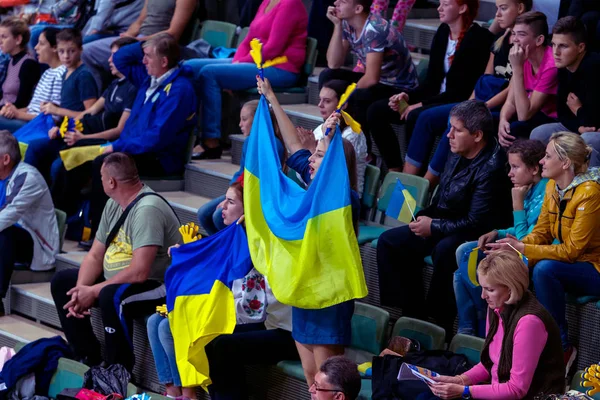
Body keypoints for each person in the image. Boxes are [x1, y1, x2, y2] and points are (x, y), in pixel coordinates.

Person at [376, 100, 513, 338]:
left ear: (477, 135)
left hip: (478, 231)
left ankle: (440, 321)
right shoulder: (457, 150)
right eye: (449, 128)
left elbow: (476, 221)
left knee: (445, 250)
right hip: (449, 220)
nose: (448, 135)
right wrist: (426, 214)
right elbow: (445, 197)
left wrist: (434, 226)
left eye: (456, 130)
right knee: (391, 242)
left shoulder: (492, 166)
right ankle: (411, 314)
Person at [258, 76, 359, 386]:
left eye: (319, 156)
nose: (310, 160)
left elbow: (327, 161)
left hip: (329, 295)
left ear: (334, 166)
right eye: (314, 155)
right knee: (311, 379)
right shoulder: (311, 187)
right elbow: (294, 145)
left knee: (329, 380)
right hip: (304, 292)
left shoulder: (344, 200)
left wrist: (331, 132)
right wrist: (271, 97)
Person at [149, 180, 291, 400]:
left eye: (230, 201)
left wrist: (202, 312)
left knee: (208, 337)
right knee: (159, 322)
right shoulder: (235, 239)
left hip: (277, 326)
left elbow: (253, 309)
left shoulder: (258, 247)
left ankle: (190, 393)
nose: (220, 206)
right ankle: (175, 392)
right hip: (252, 317)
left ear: (248, 210)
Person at [50, 152, 180, 370]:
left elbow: (140, 272)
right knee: (64, 282)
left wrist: (94, 291)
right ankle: (88, 357)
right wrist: (82, 289)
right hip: (123, 278)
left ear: (111, 182)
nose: (99, 180)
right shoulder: (114, 203)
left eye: (101, 176)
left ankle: (118, 369)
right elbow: (95, 255)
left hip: (158, 284)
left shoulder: (147, 210)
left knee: (112, 295)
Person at [486, 131, 600, 374]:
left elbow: (572, 251)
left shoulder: (590, 193)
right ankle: (503, 340)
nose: (541, 161)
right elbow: (541, 233)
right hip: (572, 264)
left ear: (565, 163)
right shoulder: (552, 187)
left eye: (547, 156)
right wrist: (513, 249)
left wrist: (524, 248)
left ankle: (560, 345)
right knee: (503, 263)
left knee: (545, 269)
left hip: (593, 268)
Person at [73, 33, 197, 249]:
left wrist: (117, 146)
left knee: (102, 164)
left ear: (164, 61)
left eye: (148, 55)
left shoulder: (179, 90)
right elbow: (121, 58)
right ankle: (75, 219)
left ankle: (100, 234)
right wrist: (152, 40)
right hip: (132, 149)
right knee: (76, 150)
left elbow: (156, 138)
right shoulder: (147, 78)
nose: (143, 60)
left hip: (159, 158)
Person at [401, 0, 532, 186]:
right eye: (497, 9)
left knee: (456, 123)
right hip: (482, 102)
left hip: (500, 107)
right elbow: (484, 81)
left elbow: (512, 88)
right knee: (426, 118)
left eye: (503, 8)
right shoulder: (499, 41)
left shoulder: (524, 46)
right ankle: (408, 180)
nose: (497, 15)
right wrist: (470, 103)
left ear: (520, 7)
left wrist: (481, 106)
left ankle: (427, 183)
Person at [367, 0, 493, 172]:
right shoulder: (442, 32)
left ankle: (413, 173)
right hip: (435, 97)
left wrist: (419, 105)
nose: (439, 8)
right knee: (377, 110)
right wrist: (408, 97)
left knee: (416, 115)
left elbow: (460, 92)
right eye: (439, 3)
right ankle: (394, 168)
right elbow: (431, 82)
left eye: (446, 4)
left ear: (462, 8)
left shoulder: (478, 38)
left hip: (458, 101)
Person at [429, 250, 565, 399]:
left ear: (510, 287)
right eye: (482, 287)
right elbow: (490, 363)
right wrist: (460, 380)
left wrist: (466, 391)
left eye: (490, 289)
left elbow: (516, 390)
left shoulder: (529, 322)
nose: (483, 296)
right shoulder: (495, 307)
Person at [185, 0, 308, 160]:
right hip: (255, 61)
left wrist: (238, 67)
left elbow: (272, 48)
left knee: (209, 73)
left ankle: (211, 142)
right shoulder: (266, 2)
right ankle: (186, 132)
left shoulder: (290, 4)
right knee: (189, 66)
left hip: (280, 67)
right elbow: (249, 38)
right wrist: (237, 62)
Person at [453, 139, 547, 337]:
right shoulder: (529, 187)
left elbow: (525, 241)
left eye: (515, 167)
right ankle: (468, 330)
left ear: (534, 169)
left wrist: (517, 204)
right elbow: (524, 228)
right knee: (464, 254)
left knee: (464, 266)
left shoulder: (546, 192)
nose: (509, 173)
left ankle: (485, 325)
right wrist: (498, 232)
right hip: (520, 247)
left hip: (532, 255)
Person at [49, 36, 139, 218]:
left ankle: (66, 217)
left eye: (114, 56)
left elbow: (119, 131)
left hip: (109, 142)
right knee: (56, 158)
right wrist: (62, 128)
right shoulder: (114, 84)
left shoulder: (133, 88)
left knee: (62, 165)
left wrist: (83, 139)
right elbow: (89, 112)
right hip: (91, 135)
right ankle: (56, 217)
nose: (109, 60)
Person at [319, 0, 418, 153]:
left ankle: (362, 151)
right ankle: (329, 135)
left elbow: (372, 78)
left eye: (343, 1)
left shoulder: (374, 29)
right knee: (328, 76)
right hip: (379, 81)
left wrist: (345, 96)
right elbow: (333, 63)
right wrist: (337, 26)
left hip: (399, 87)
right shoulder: (346, 23)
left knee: (359, 96)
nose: (336, 2)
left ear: (358, 8)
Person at [196, 100, 286, 236]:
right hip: (242, 190)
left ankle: (236, 248)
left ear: (257, 120)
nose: (240, 124)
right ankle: (220, 247)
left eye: (244, 119)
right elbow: (241, 172)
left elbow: (265, 182)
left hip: (260, 195)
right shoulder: (249, 141)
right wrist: (231, 194)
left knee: (219, 216)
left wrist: (235, 200)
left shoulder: (274, 145)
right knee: (204, 213)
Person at [24, 28, 98, 180]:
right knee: (32, 147)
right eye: (62, 51)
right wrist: (57, 125)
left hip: (77, 135)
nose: (66, 56)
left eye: (71, 51)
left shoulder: (83, 76)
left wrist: (57, 111)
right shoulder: (65, 73)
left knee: (36, 150)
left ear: (80, 49)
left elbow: (90, 114)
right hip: (63, 132)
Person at [0, 131, 58, 313]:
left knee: (4, 230)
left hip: (38, 245)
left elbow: (7, 216)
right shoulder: (4, 176)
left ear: (5, 159)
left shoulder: (27, 178)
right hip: (15, 237)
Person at [530, 16, 600, 167]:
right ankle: (543, 187)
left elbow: (594, 122)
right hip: (580, 125)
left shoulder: (594, 68)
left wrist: (578, 110)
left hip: (594, 130)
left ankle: (591, 189)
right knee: (539, 134)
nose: (556, 52)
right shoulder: (563, 67)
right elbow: (562, 113)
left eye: (563, 46)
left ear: (581, 47)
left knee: (589, 140)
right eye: (554, 45)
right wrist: (578, 126)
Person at [82, 0, 197, 90]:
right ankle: (103, 95)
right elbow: (139, 22)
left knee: (95, 52)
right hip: (139, 39)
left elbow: (173, 33)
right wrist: (127, 36)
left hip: (158, 43)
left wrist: (138, 39)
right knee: (85, 51)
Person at [498, 11, 558, 147]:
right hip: (528, 111)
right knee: (486, 121)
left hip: (550, 118)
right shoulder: (523, 55)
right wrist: (503, 120)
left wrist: (517, 68)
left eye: (522, 34)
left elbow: (524, 115)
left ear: (539, 40)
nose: (515, 39)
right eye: (514, 33)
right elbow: (510, 102)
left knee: (514, 129)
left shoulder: (551, 65)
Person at [298, 79, 368, 195]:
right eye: (320, 99)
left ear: (343, 104)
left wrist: (310, 150)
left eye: (327, 101)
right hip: (318, 193)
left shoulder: (353, 135)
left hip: (343, 199)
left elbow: (334, 173)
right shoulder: (320, 128)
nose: (320, 105)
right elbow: (304, 178)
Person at [0, 28, 65, 133]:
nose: (36, 47)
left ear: (54, 48)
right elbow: (31, 108)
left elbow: (53, 119)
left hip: (38, 126)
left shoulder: (61, 74)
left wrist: (17, 114)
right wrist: (10, 111)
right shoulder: (47, 72)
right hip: (28, 120)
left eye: (41, 44)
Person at [0, 18, 41, 111]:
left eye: (4, 37)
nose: (0, 42)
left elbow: (23, 102)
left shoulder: (28, 64)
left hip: (14, 114)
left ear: (18, 39)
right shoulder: (9, 61)